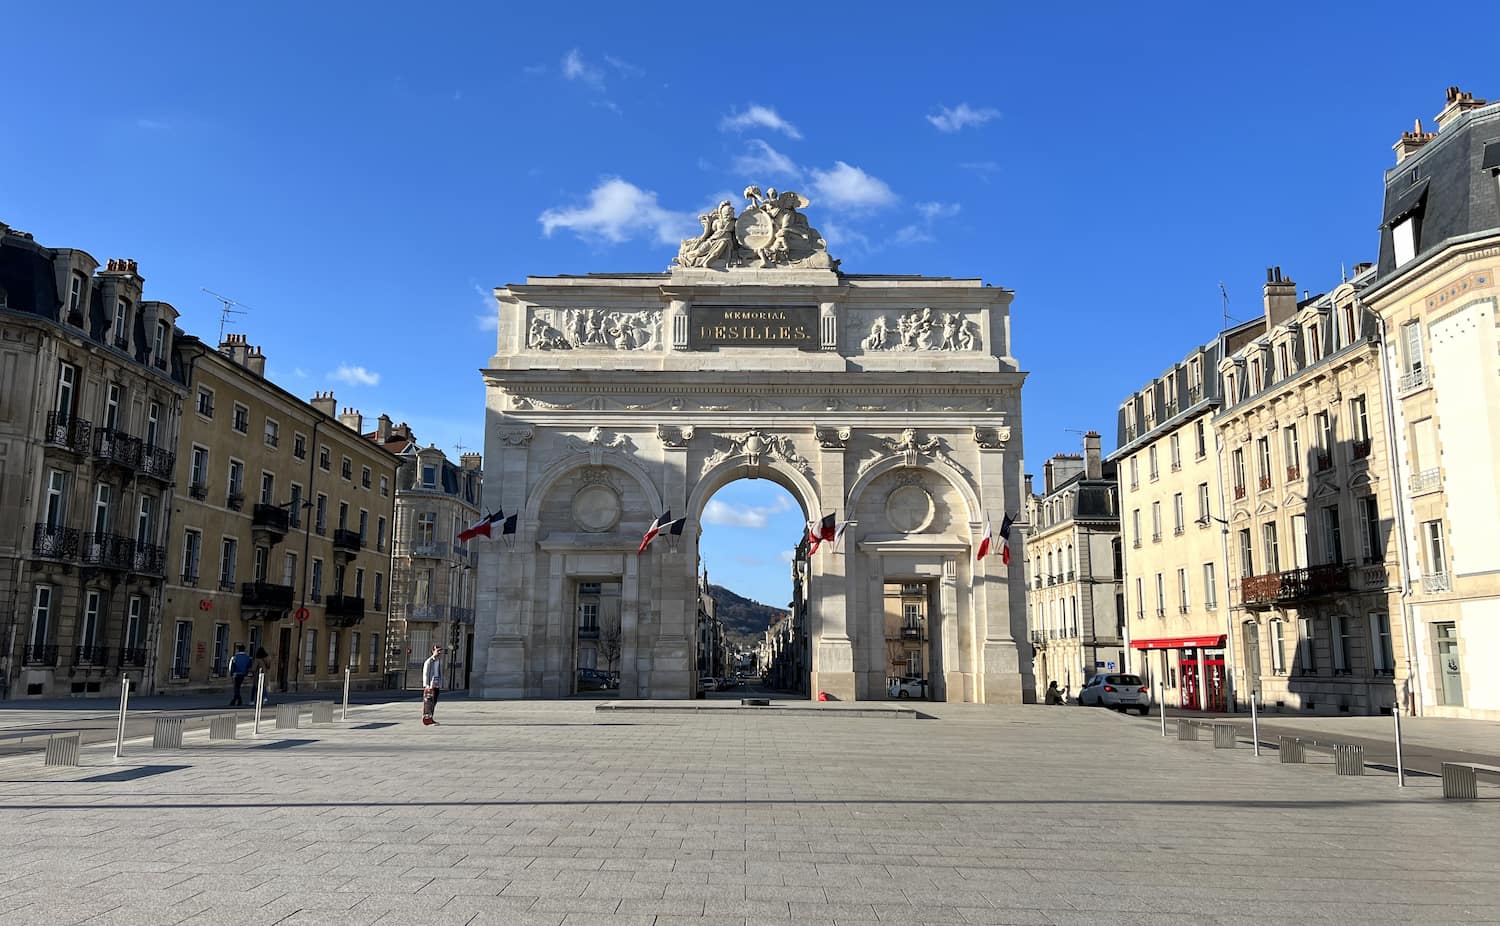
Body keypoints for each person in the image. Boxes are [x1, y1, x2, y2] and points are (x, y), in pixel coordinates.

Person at [422, 645, 443, 726]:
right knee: (428, 703)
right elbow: (426, 674)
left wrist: (440, 683)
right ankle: (427, 719)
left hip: (436, 684)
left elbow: (439, 672)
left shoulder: (438, 661)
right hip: (430, 685)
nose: (439, 653)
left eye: (440, 651)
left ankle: (431, 718)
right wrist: (427, 685)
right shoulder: (429, 661)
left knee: (433, 702)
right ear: (433, 651)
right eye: (438, 651)